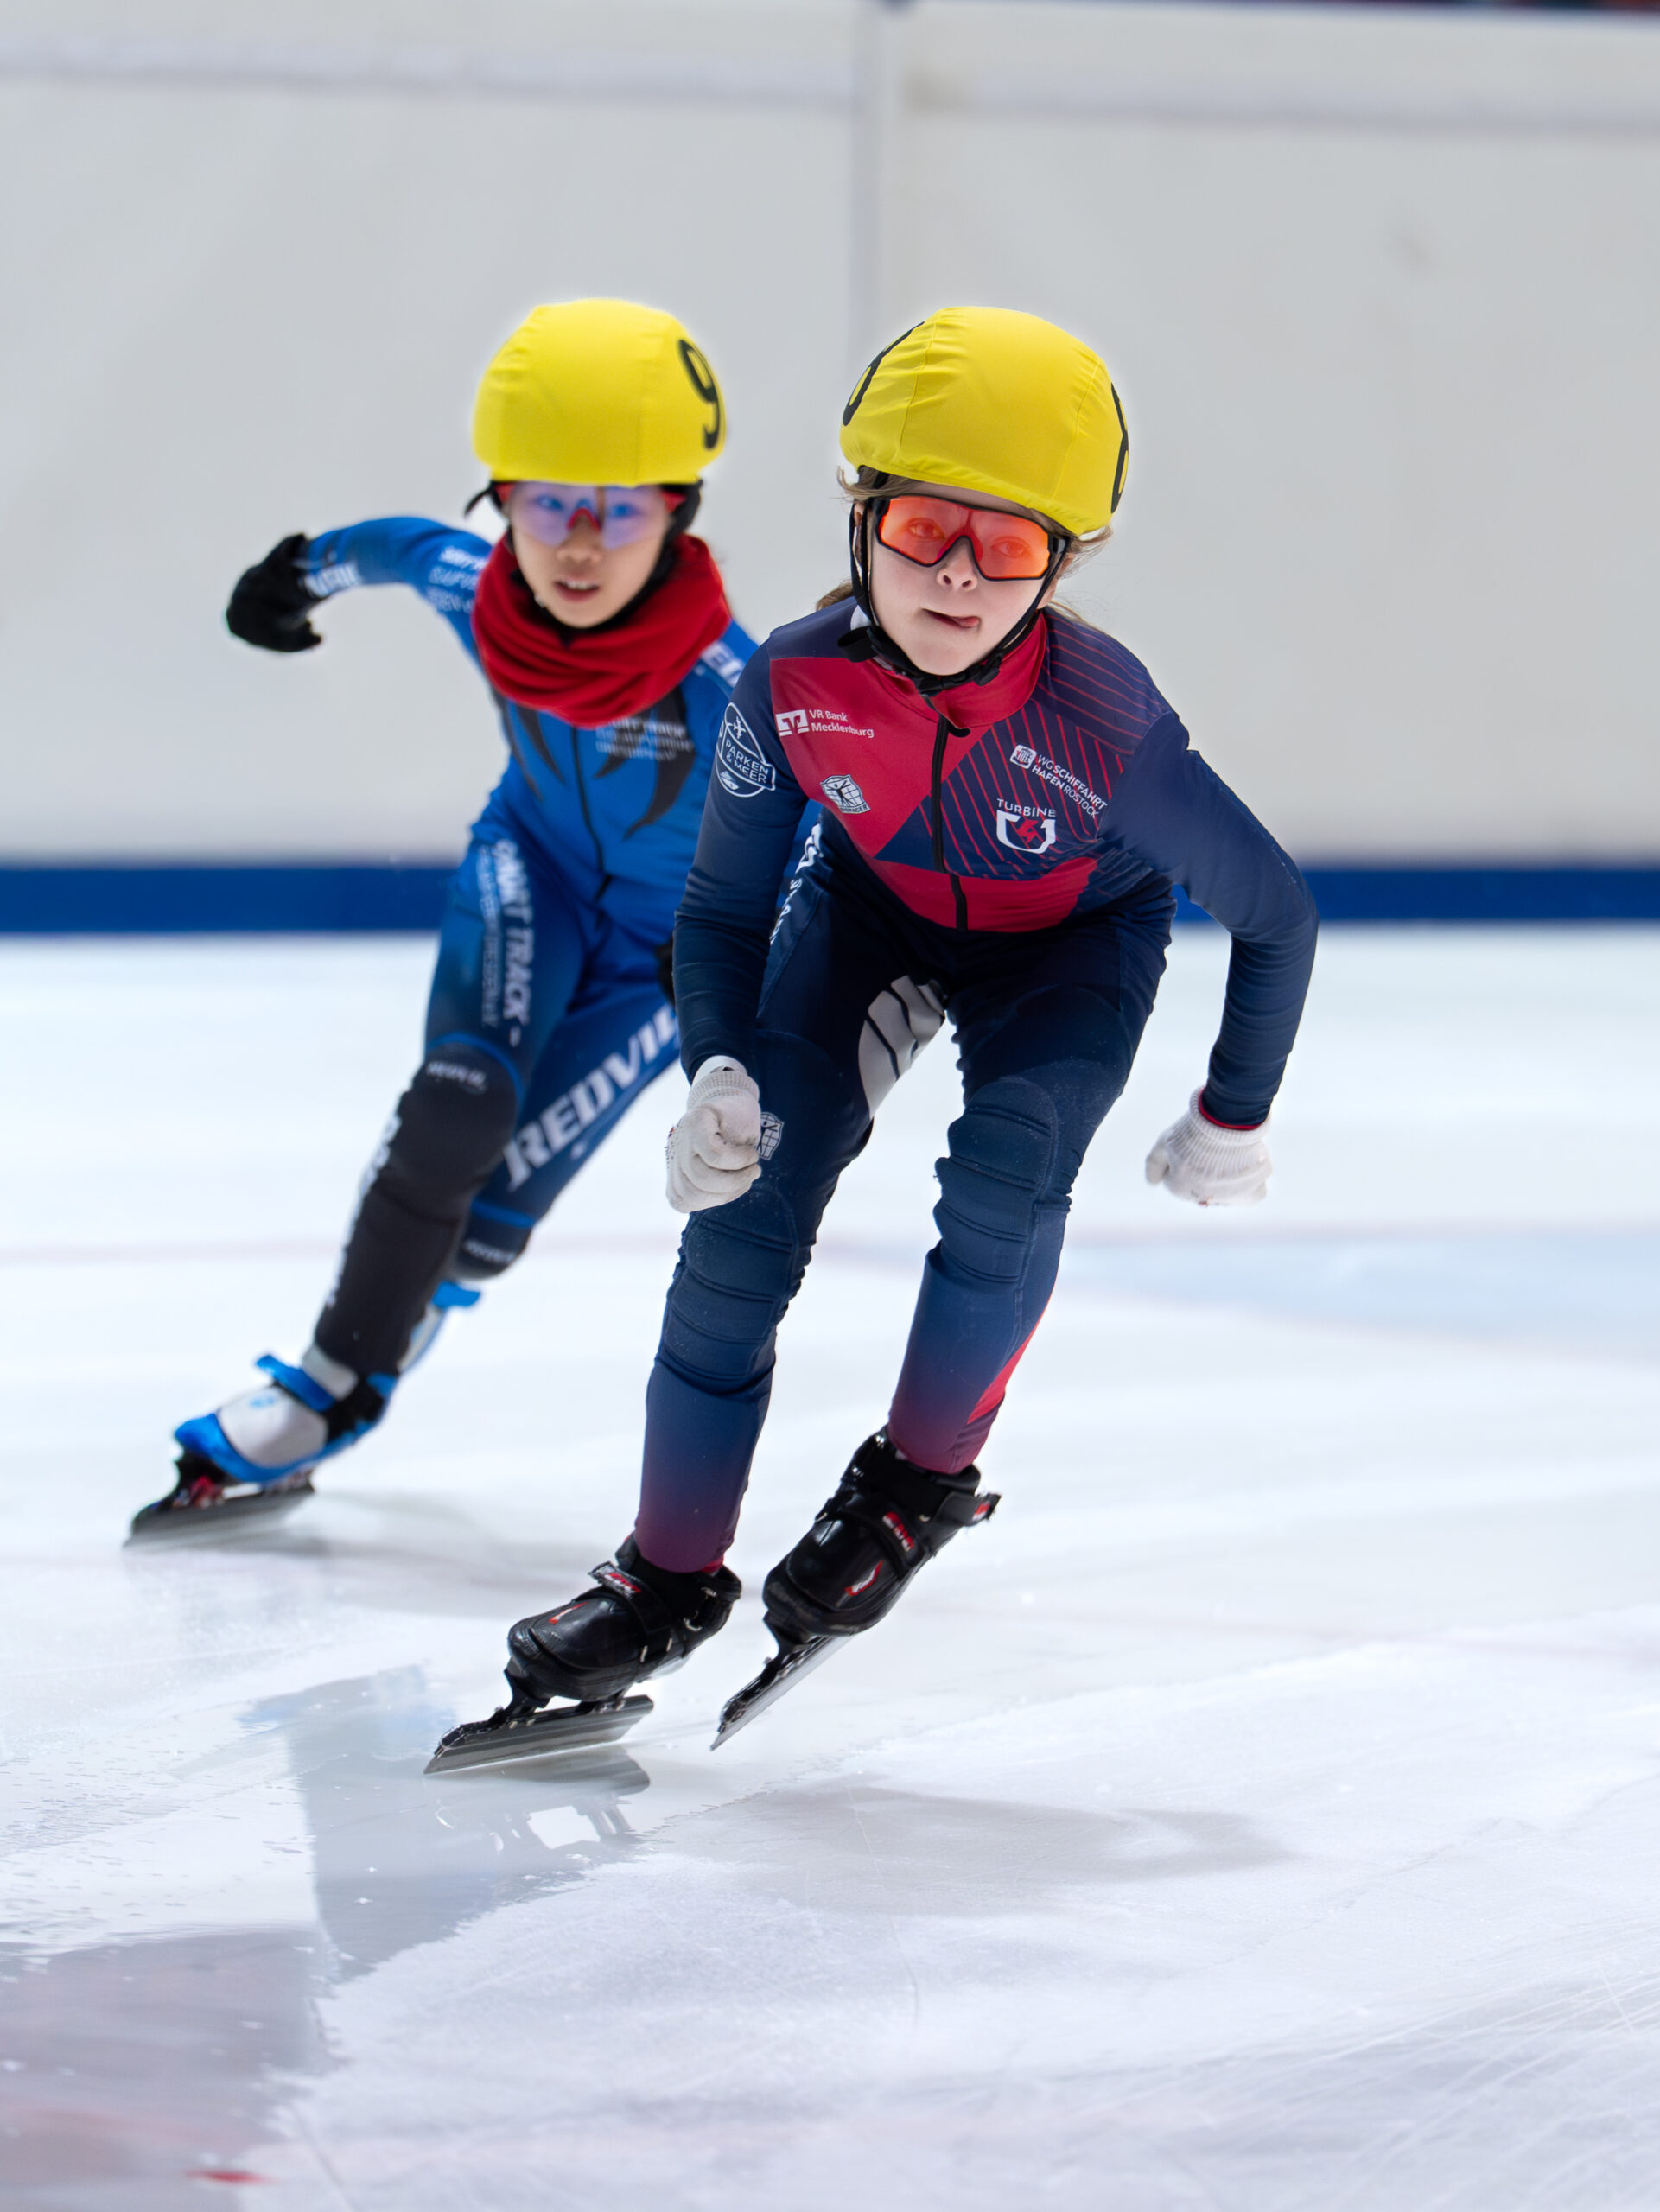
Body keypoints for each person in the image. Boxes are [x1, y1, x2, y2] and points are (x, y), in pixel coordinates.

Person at [445, 305, 1319, 1749]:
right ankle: (664, 1573)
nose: (959, 574)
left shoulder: (1106, 722)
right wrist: (718, 1067)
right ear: (861, 520)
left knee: (1008, 1177)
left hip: (1067, 952)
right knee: (739, 1221)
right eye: (923, 527)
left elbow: (1276, 912)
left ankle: (916, 1486)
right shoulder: (793, 684)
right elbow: (721, 911)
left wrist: (1235, 1108)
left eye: (1010, 544)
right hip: (871, 923)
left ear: (1064, 563)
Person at [131, 299, 754, 1538]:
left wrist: (739, 951)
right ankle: (331, 1379)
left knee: (491, 1222)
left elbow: (824, 834)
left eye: (620, 510)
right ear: (503, 499)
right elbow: (391, 548)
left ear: (679, 513)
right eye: (547, 506)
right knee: (457, 1106)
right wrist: (292, 580)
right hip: (528, 870)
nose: (580, 546)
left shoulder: (734, 686)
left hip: (657, 954)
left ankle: (385, 1341)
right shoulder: (475, 584)